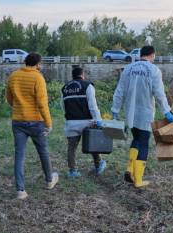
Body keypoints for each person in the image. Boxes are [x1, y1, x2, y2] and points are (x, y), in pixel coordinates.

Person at [111, 45, 173, 188]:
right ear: (152, 55)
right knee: (144, 143)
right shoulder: (154, 70)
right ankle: (138, 179)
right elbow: (159, 93)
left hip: (130, 112)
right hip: (145, 112)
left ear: (140, 54)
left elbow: (119, 90)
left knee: (136, 139)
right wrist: (166, 111)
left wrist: (115, 109)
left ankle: (129, 169)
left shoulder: (128, 69)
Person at [6, 53, 58, 200]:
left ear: (26, 62)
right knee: (43, 151)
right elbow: (42, 104)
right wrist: (48, 123)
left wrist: (19, 107)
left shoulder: (13, 76)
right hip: (36, 121)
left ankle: (20, 191)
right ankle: (49, 180)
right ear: (38, 64)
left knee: (19, 155)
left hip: (18, 121)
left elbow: (9, 99)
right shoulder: (38, 77)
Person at [61, 67, 106, 178]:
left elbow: (63, 106)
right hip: (87, 122)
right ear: (83, 75)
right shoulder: (88, 85)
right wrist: (98, 120)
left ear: (72, 76)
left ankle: (72, 171)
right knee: (92, 144)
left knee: (71, 148)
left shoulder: (65, 88)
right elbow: (92, 105)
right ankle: (98, 164)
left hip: (71, 123)